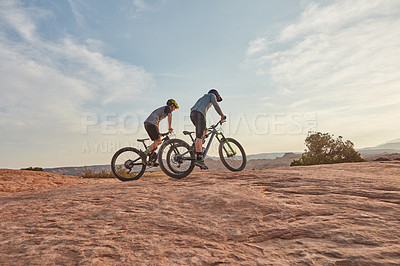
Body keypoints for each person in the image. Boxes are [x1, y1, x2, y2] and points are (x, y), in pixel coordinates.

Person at [190, 89, 226, 169]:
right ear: (216, 95)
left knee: (205, 130)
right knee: (199, 137)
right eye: (217, 98)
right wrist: (222, 115)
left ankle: (195, 147)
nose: (216, 100)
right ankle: (199, 158)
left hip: (193, 114)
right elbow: (216, 105)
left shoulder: (202, 98)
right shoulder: (211, 95)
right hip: (199, 115)